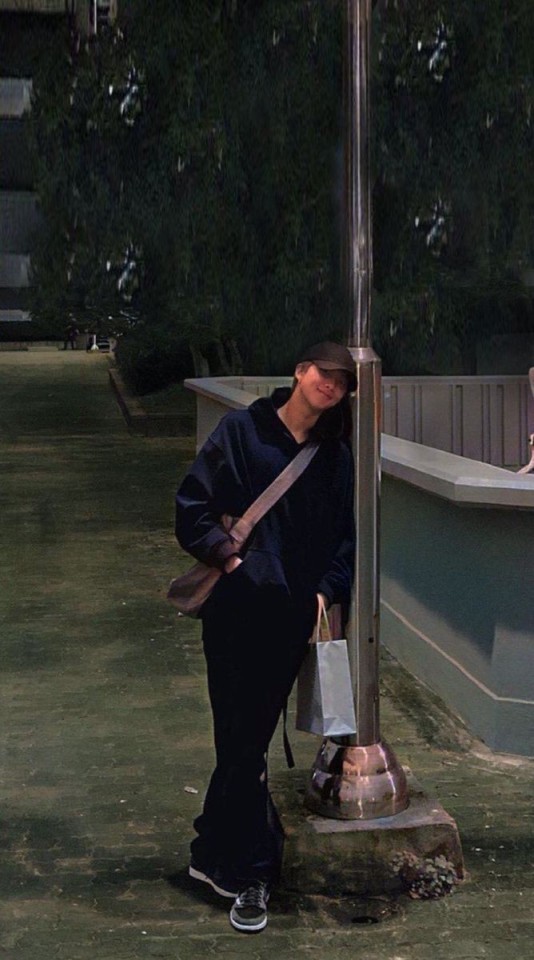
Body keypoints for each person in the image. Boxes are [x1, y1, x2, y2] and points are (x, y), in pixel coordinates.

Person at [174, 341, 356, 933]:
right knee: (238, 738)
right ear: (299, 372)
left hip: (288, 620)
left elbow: (344, 540)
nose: (331, 385)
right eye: (324, 373)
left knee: (246, 740)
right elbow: (192, 507)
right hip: (233, 613)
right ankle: (237, 862)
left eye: (342, 381)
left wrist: (323, 595)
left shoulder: (334, 457)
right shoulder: (241, 431)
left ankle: (228, 862)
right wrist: (231, 562)